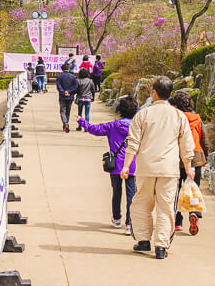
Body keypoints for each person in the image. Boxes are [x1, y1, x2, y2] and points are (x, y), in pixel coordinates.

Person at [122, 76, 195, 260]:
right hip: (169, 169)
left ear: (154, 92)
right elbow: (187, 145)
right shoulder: (179, 116)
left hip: (145, 167)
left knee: (141, 204)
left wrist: (126, 166)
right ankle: (161, 246)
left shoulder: (142, 114)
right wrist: (188, 167)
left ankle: (143, 240)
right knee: (166, 206)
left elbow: (133, 143)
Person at [77, 95, 138, 229]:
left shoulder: (113, 125)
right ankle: (130, 223)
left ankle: (117, 218)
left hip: (115, 165)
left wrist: (82, 122)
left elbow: (95, 129)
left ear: (120, 110)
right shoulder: (138, 128)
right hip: (132, 165)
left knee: (116, 192)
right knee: (131, 194)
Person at [169, 91, 207, 236]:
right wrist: (205, 157)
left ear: (176, 105)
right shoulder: (197, 118)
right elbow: (204, 138)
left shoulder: (176, 118)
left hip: (178, 157)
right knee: (193, 188)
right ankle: (194, 213)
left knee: (177, 189)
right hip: (196, 156)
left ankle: (178, 222)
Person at [54, 62, 79, 131]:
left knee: (62, 111)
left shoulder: (59, 77)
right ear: (69, 69)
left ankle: (65, 123)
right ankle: (66, 123)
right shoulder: (73, 77)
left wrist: (64, 92)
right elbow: (76, 86)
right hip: (70, 96)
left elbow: (58, 86)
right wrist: (69, 91)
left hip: (62, 96)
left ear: (62, 69)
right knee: (68, 111)